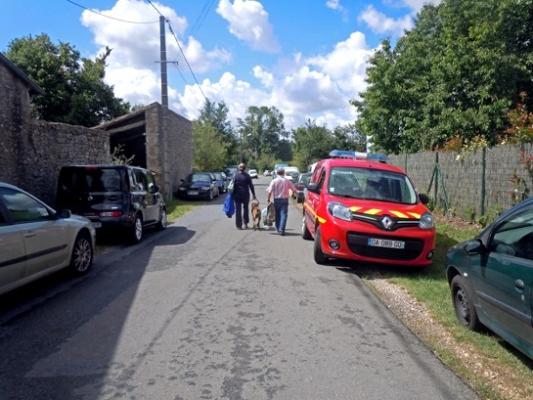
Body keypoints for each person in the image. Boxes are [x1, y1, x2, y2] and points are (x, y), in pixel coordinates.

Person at [266, 167, 296, 236]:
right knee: (284, 214)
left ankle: (278, 228)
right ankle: (282, 230)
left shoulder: (274, 181)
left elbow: (269, 191)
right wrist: (294, 195)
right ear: (283, 173)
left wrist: (268, 199)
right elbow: (293, 189)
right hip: (285, 200)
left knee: (277, 214)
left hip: (276, 199)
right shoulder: (286, 181)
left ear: (277, 173)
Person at [233, 163, 256, 229]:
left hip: (237, 195)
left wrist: (232, 195)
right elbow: (251, 185)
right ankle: (245, 223)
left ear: (238, 168)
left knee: (238, 210)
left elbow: (232, 186)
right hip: (245, 194)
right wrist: (253, 194)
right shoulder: (247, 176)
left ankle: (238, 225)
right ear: (245, 168)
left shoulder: (235, 175)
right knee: (246, 209)